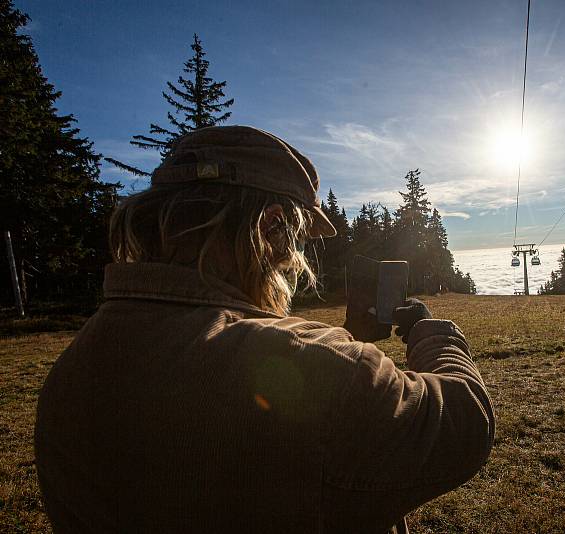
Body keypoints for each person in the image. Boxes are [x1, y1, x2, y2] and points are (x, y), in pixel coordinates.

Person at [34, 125, 495, 533]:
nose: (294, 264)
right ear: (271, 227)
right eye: (295, 242)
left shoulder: (73, 369)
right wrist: (431, 331)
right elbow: (464, 422)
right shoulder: (325, 366)